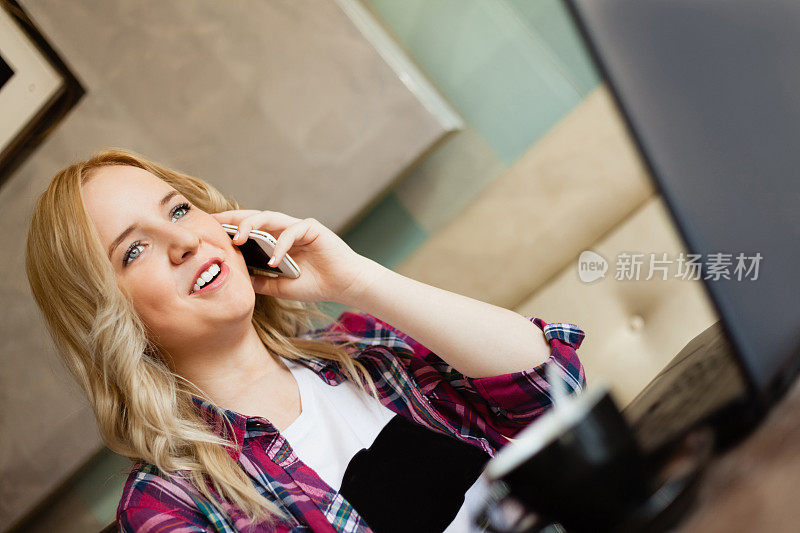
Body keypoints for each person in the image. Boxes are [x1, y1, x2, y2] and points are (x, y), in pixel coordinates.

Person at [24, 148, 586, 532]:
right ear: (107, 313)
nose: (183, 241)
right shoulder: (169, 506)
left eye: (178, 209)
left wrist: (358, 281)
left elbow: (554, 397)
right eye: (134, 249)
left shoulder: (364, 350)